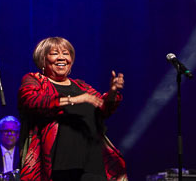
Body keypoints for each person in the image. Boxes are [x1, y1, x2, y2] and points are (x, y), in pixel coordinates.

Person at [17, 36, 127, 181]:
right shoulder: (35, 80)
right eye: (55, 53)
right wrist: (73, 100)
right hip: (59, 164)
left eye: (66, 53)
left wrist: (112, 93)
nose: (61, 57)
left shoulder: (81, 86)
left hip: (93, 163)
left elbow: (103, 109)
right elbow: (32, 102)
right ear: (43, 59)